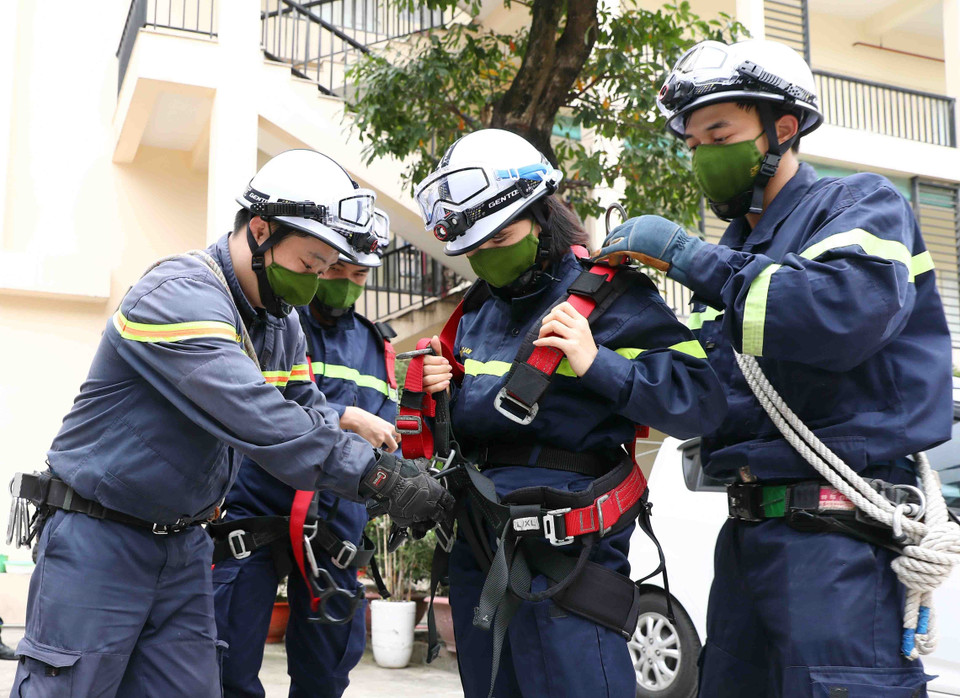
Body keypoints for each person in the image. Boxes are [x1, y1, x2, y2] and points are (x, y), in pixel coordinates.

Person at [8, 150, 451, 697]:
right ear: (261, 230)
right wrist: (379, 478)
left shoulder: (277, 321)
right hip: (101, 538)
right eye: (310, 263)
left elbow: (303, 408)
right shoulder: (180, 295)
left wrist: (365, 443)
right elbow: (259, 419)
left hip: (185, 546)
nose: (314, 282)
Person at [597, 39, 951, 697]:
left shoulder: (859, 206)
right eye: (693, 141)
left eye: (719, 132)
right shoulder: (739, 255)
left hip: (840, 547)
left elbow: (838, 317)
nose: (701, 154)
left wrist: (686, 256)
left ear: (782, 130)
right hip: (749, 539)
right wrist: (596, 363)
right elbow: (711, 403)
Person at [412, 128, 727, 698]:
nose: (488, 257)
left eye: (501, 237)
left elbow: (700, 400)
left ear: (542, 217)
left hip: (571, 557)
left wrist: (594, 360)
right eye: (474, 249)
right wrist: (441, 396)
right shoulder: (476, 313)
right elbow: (476, 431)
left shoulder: (612, 296)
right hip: (480, 548)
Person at [213, 209, 399, 698]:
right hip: (258, 505)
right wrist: (342, 417)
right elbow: (259, 405)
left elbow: (387, 425)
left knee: (325, 671)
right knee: (225, 659)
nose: (342, 283)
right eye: (333, 270)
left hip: (337, 520)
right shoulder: (276, 321)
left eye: (357, 275)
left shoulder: (376, 345)